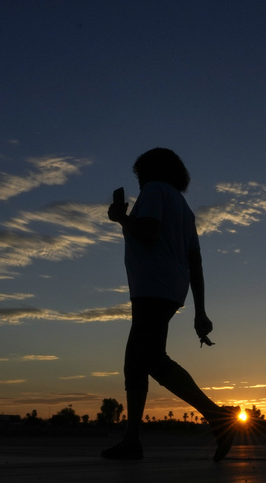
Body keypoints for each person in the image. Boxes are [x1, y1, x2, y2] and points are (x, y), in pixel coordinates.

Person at [102, 147, 238, 461]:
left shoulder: (153, 192)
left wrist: (121, 218)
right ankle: (133, 439)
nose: (138, 181)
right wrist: (200, 310)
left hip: (152, 286)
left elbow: (147, 234)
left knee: (146, 358)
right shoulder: (183, 206)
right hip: (171, 288)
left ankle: (215, 417)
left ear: (148, 172)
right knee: (143, 360)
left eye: (139, 175)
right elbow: (196, 262)